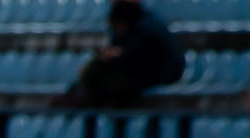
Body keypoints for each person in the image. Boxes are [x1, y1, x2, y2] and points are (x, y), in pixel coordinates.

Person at [53, 0, 186, 108]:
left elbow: (135, 60)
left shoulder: (146, 27)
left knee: (106, 82)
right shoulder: (128, 22)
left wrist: (113, 58)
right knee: (95, 73)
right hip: (140, 74)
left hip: (157, 75)